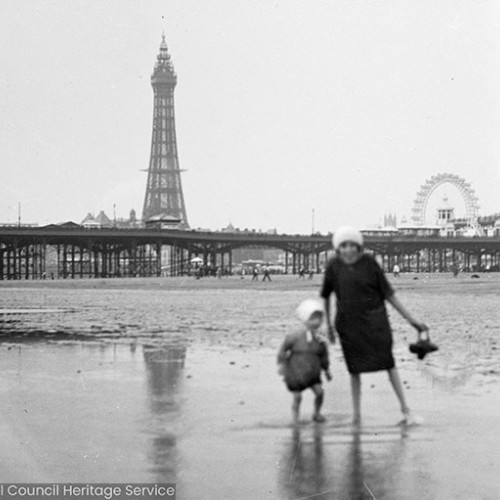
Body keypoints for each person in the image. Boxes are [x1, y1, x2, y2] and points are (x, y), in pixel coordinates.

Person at [321, 226, 428, 426]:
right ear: (338, 248)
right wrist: (328, 326)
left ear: (359, 246)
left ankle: (406, 411)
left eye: (352, 245)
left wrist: (412, 321)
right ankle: (356, 417)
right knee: (354, 370)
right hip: (348, 326)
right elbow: (326, 296)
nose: (348, 250)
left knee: (389, 364)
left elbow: (389, 294)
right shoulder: (333, 266)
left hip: (375, 323)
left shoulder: (370, 263)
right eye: (343, 245)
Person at [277, 299, 332, 424]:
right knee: (297, 397)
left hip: (313, 374)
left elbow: (324, 356)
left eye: (319, 319)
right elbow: (284, 348)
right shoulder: (295, 336)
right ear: (306, 320)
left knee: (320, 392)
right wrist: (282, 364)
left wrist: (327, 370)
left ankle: (316, 413)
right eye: (313, 319)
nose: (316, 322)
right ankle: (295, 418)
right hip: (296, 374)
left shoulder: (320, 340)